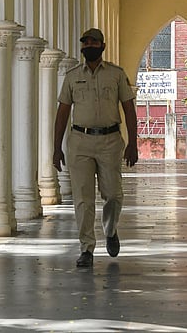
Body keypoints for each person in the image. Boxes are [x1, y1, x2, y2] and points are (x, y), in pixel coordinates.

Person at [53, 28, 139, 268]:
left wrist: (133, 143)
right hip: (80, 141)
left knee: (113, 194)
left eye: (93, 42)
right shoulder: (71, 77)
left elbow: (129, 109)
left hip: (110, 141)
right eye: (85, 42)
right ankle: (86, 248)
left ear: (102, 46)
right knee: (83, 198)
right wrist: (56, 148)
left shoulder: (116, 75)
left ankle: (110, 230)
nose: (88, 45)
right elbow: (62, 114)